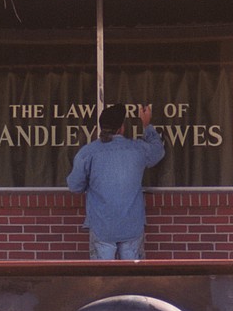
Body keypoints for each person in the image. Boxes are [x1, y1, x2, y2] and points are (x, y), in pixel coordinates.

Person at [67, 104, 165, 260]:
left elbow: (74, 186)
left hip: (102, 226)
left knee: (103, 279)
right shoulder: (137, 149)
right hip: (131, 226)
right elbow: (158, 151)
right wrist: (146, 124)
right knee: (132, 278)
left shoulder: (88, 152)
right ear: (122, 127)